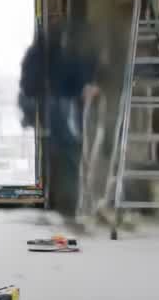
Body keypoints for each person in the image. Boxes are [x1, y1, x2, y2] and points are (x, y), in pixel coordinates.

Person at [18, 16, 104, 232]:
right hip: (61, 102)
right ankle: (69, 208)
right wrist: (85, 85)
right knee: (70, 154)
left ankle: (61, 204)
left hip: (52, 102)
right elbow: (63, 73)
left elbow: (28, 82)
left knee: (62, 154)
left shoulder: (43, 49)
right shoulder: (64, 49)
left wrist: (30, 110)